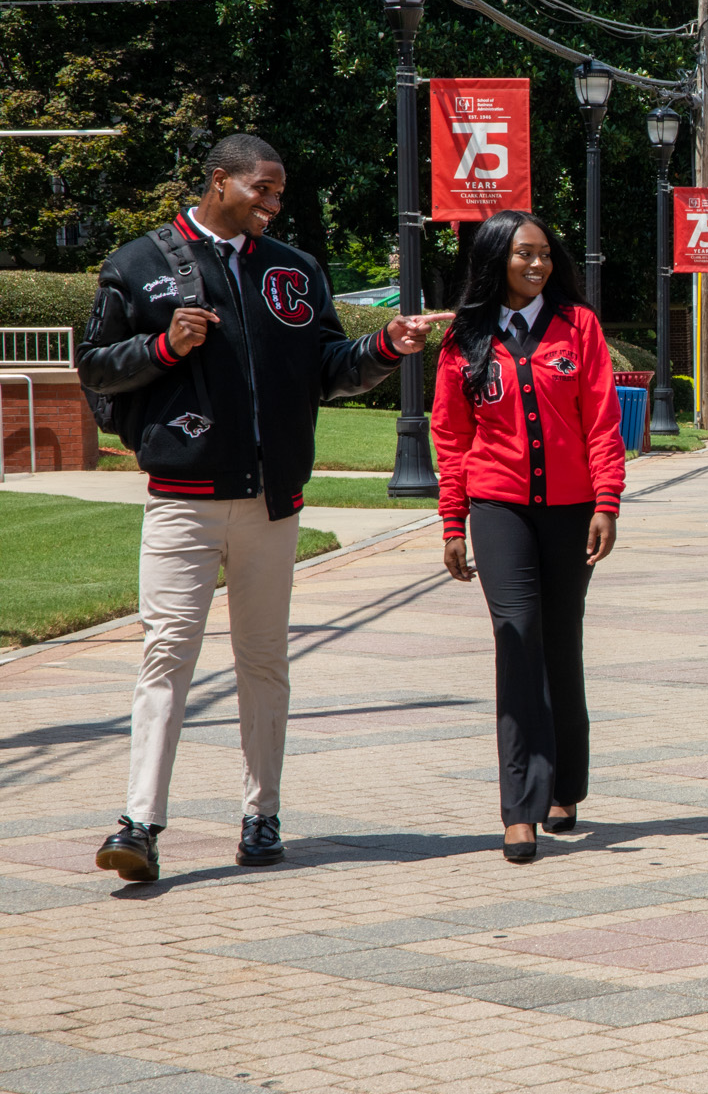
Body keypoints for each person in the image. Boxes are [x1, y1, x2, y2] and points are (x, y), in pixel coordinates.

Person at [77, 134, 444, 883]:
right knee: (166, 656)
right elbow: (94, 370)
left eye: (280, 194)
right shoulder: (137, 264)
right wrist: (164, 347)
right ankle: (140, 823)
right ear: (220, 182)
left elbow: (329, 371)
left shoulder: (295, 272)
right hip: (182, 498)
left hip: (273, 502)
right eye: (262, 190)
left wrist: (386, 347)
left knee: (264, 661)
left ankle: (262, 814)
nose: (274, 205)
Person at [431, 211, 623, 863]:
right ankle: (520, 807)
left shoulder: (580, 327)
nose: (537, 264)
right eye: (523, 255)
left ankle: (565, 784)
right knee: (517, 639)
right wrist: (453, 520)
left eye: (544, 254)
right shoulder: (465, 336)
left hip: (572, 510)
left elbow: (602, 420)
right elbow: (451, 434)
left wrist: (607, 501)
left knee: (560, 640)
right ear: (495, 261)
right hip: (497, 507)